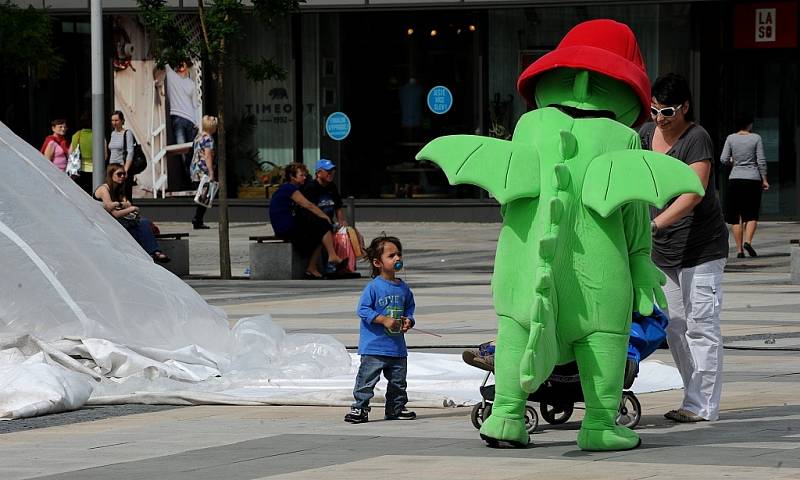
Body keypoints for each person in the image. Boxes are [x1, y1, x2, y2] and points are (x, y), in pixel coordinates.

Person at [640, 73, 728, 423]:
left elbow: (694, 192)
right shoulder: (645, 135)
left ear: (685, 108)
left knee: (701, 325)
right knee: (674, 326)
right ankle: (691, 396)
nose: (660, 119)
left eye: (668, 112)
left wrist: (656, 223)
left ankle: (702, 405)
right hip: (663, 250)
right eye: (654, 110)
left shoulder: (697, 138)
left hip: (702, 248)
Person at [344, 235, 416, 424]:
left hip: (397, 347)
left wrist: (409, 320)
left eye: (399, 254)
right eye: (391, 255)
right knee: (367, 380)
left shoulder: (404, 288)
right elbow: (363, 310)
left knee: (398, 382)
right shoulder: (374, 287)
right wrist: (383, 319)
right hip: (374, 347)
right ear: (377, 262)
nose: (397, 259)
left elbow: (409, 308)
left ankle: (396, 408)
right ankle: (360, 408)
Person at [269, 163, 346, 279]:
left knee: (320, 229)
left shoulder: (296, 188)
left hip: (290, 225)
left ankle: (313, 267)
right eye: (301, 175)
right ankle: (331, 257)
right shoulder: (289, 188)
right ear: (292, 176)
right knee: (322, 224)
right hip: (285, 228)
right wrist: (325, 217)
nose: (304, 177)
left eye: (305, 175)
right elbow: (308, 205)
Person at [94, 164, 170, 264]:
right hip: (106, 223)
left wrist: (123, 205)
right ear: (111, 175)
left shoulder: (119, 189)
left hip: (118, 222)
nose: (122, 177)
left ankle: (153, 254)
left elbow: (127, 206)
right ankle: (152, 254)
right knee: (142, 224)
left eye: (124, 174)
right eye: (119, 174)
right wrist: (128, 207)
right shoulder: (104, 189)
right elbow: (115, 212)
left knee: (141, 225)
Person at [721, 113, 769, 258]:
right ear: (750, 125)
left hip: (735, 179)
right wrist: (764, 179)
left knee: (736, 217)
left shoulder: (731, 138)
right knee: (752, 214)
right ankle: (748, 241)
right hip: (753, 179)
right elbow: (761, 160)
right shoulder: (756, 138)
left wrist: (732, 162)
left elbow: (723, 159)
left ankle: (740, 250)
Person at [301, 159, 349, 274]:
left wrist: (342, 221)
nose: (331, 173)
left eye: (332, 170)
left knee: (347, 232)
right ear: (318, 173)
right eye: (327, 171)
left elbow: (338, 206)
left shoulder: (332, 186)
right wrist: (326, 219)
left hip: (327, 222)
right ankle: (331, 259)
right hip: (312, 222)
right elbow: (310, 208)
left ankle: (345, 264)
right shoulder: (311, 187)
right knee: (324, 227)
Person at [165, 59, 200, 174]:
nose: (181, 65)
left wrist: (197, 122)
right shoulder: (172, 76)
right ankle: (188, 176)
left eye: (183, 63)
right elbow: (164, 63)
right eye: (179, 63)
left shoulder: (191, 83)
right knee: (182, 150)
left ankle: (192, 175)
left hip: (191, 120)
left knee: (192, 150)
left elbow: (195, 105)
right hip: (178, 118)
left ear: (187, 67)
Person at [189, 115, 218, 230]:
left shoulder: (198, 137)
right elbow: (208, 156)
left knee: (202, 195)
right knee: (205, 196)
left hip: (195, 169)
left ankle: (198, 219)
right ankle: (197, 219)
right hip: (203, 170)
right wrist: (211, 172)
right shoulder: (209, 139)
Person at [106, 110, 135, 200]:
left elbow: (130, 152)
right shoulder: (113, 134)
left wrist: (125, 170)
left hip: (121, 167)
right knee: (112, 192)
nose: (114, 123)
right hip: (112, 167)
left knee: (123, 193)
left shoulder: (127, 133)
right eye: (112, 120)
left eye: (116, 120)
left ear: (122, 121)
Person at [69, 112, 93, 194]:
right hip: (94, 171)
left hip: (78, 170)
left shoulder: (76, 135)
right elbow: (105, 156)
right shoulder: (97, 135)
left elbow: (70, 152)